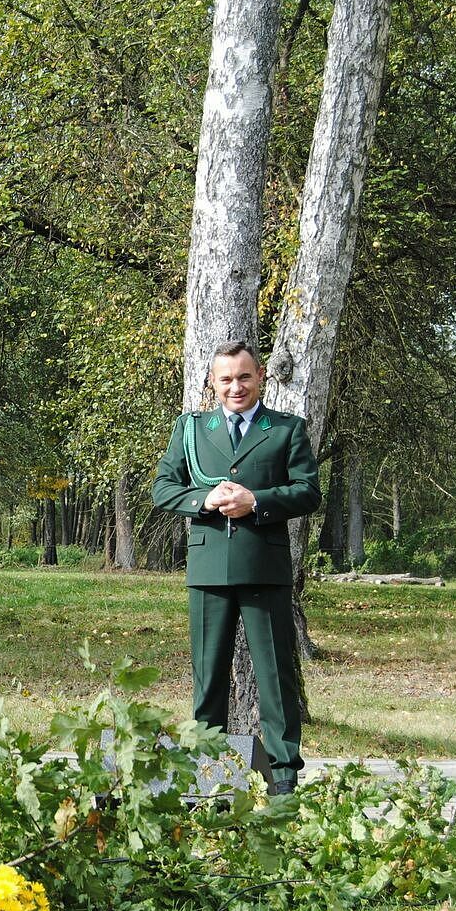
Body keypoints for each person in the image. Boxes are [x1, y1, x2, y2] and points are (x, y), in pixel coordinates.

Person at [152, 340, 321, 796]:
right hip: (208, 570)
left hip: (263, 566)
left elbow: (308, 491)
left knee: (275, 677)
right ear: (212, 382)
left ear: (261, 376)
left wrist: (257, 501)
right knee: (208, 679)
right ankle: (208, 777)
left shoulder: (285, 429)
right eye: (226, 379)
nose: (236, 387)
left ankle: (284, 778)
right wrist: (203, 500)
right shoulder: (192, 429)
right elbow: (163, 487)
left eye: (244, 376)